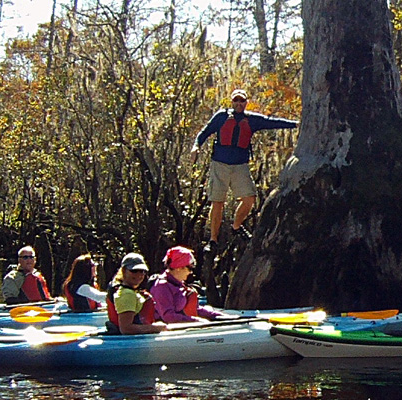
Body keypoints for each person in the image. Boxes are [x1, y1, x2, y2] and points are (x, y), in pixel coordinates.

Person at [191, 89, 299, 252]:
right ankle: (213, 239)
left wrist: (295, 124)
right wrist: (196, 146)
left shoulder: (252, 120)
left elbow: (272, 122)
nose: (239, 104)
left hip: (240, 165)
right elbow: (205, 132)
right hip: (219, 164)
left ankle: (236, 227)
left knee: (249, 198)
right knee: (217, 201)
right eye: (236, 100)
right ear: (232, 102)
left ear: (246, 102)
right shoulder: (222, 116)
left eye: (242, 101)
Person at [150, 246, 227, 323]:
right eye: (190, 268)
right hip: (166, 329)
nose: (191, 272)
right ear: (179, 267)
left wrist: (218, 316)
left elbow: (195, 309)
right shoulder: (161, 287)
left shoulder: (179, 284)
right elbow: (168, 316)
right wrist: (195, 320)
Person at [105, 252, 167, 335]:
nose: (139, 275)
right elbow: (126, 328)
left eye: (142, 271)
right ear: (124, 271)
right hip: (132, 341)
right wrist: (156, 328)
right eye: (134, 271)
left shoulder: (132, 292)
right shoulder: (126, 294)